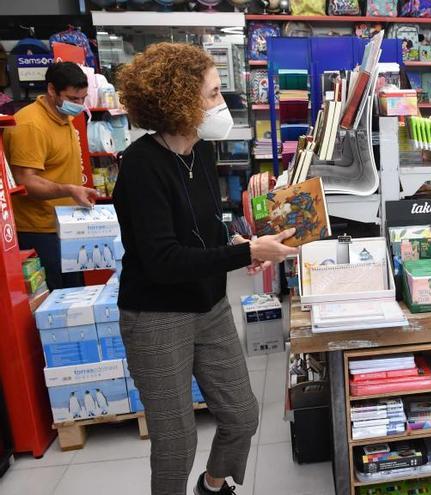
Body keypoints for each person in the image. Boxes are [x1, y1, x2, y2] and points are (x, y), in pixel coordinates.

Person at [113, 43, 298, 495]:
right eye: (213, 94)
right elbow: (162, 260)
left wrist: (234, 243)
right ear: (178, 99)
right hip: (157, 317)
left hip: (209, 305)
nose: (222, 104)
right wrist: (246, 252)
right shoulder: (141, 167)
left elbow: (199, 228)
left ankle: (213, 486)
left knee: (242, 415)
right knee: (176, 441)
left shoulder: (200, 153)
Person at [4, 62, 99, 290]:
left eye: (82, 99)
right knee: (56, 300)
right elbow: (25, 181)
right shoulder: (31, 125)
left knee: (76, 295)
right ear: (51, 90)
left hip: (67, 225)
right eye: (72, 99)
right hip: (40, 230)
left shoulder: (62, 115)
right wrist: (68, 189)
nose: (78, 105)